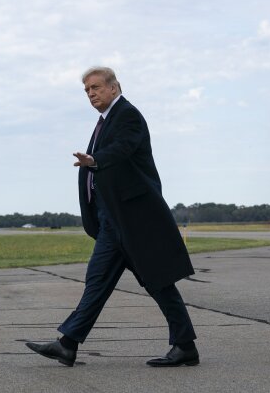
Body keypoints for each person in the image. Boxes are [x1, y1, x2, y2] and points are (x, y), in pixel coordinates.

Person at [26, 67, 199, 366]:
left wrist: (96, 160)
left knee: (157, 282)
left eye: (95, 87)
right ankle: (67, 344)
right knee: (97, 281)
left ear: (114, 87)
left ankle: (185, 346)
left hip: (134, 220)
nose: (91, 94)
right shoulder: (105, 121)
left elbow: (124, 148)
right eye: (87, 90)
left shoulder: (128, 115)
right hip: (113, 220)